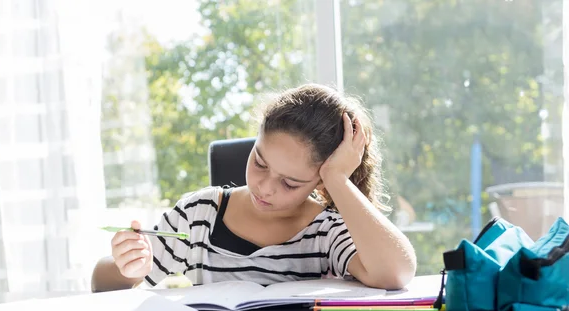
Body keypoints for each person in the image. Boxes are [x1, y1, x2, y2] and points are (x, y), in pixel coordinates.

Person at [91, 83, 416, 292]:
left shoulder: (326, 232)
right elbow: (100, 282)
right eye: (259, 162)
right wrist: (128, 269)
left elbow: (396, 273)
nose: (265, 186)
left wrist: (337, 180)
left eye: (290, 182)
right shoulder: (199, 215)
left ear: (319, 179)